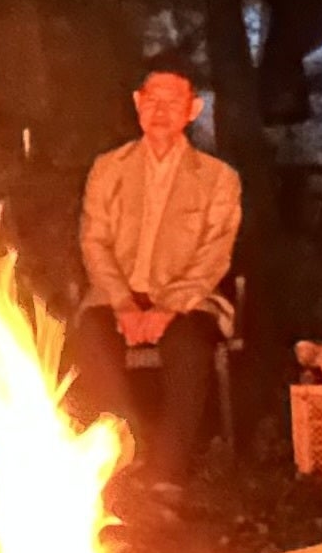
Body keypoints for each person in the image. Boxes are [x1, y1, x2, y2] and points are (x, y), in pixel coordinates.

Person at [68, 64, 243, 480]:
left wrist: (167, 308)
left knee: (189, 346)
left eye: (173, 102)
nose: (161, 111)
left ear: (193, 110)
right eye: (153, 100)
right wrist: (124, 304)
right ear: (137, 103)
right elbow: (94, 241)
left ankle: (167, 473)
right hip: (116, 295)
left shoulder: (218, 178)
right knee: (92, 336)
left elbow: (215, 254)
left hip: (191, 299)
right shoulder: (108, 169)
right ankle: (123, 455)